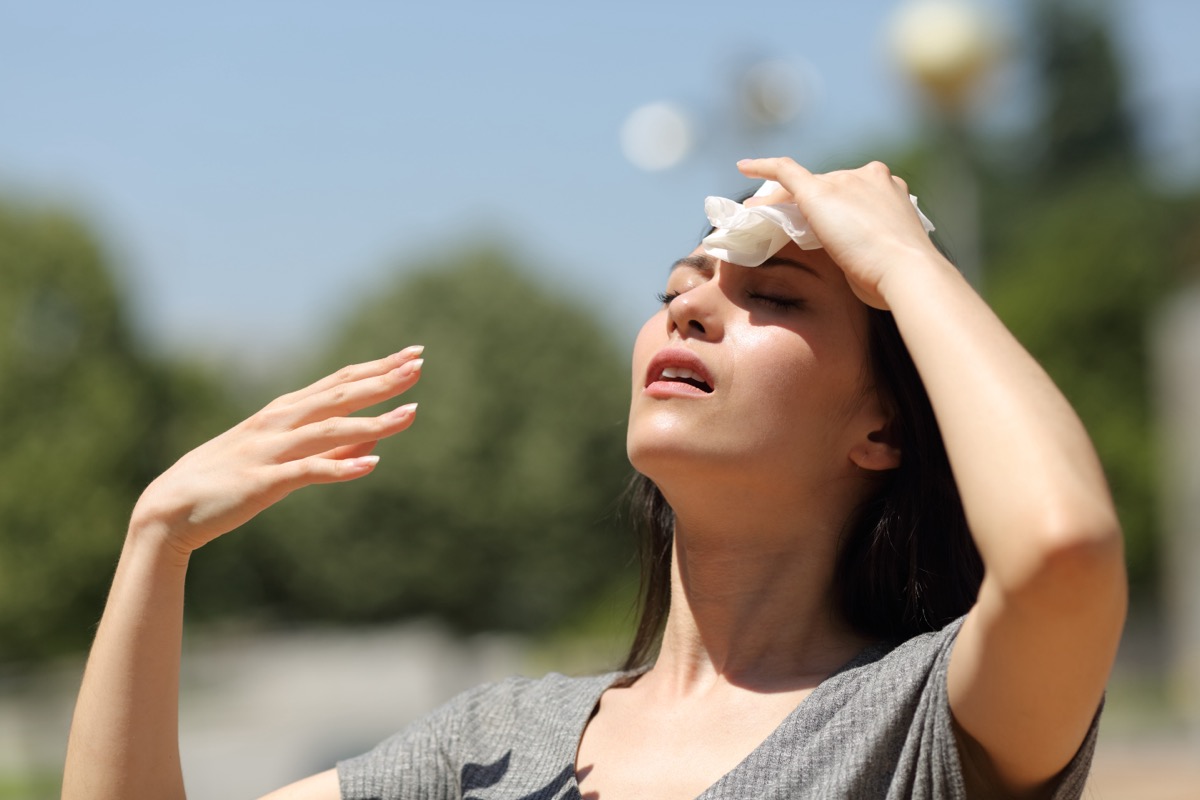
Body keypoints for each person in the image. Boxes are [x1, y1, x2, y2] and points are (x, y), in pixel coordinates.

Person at [62, 158, 1127, 799]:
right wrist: (157, 539)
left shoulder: (923, 721)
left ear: (884, 426)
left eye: (781, 298)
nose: (692, 307)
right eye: (677, 286)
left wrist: (901, 256)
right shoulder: (492, 743)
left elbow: (1060, 549)